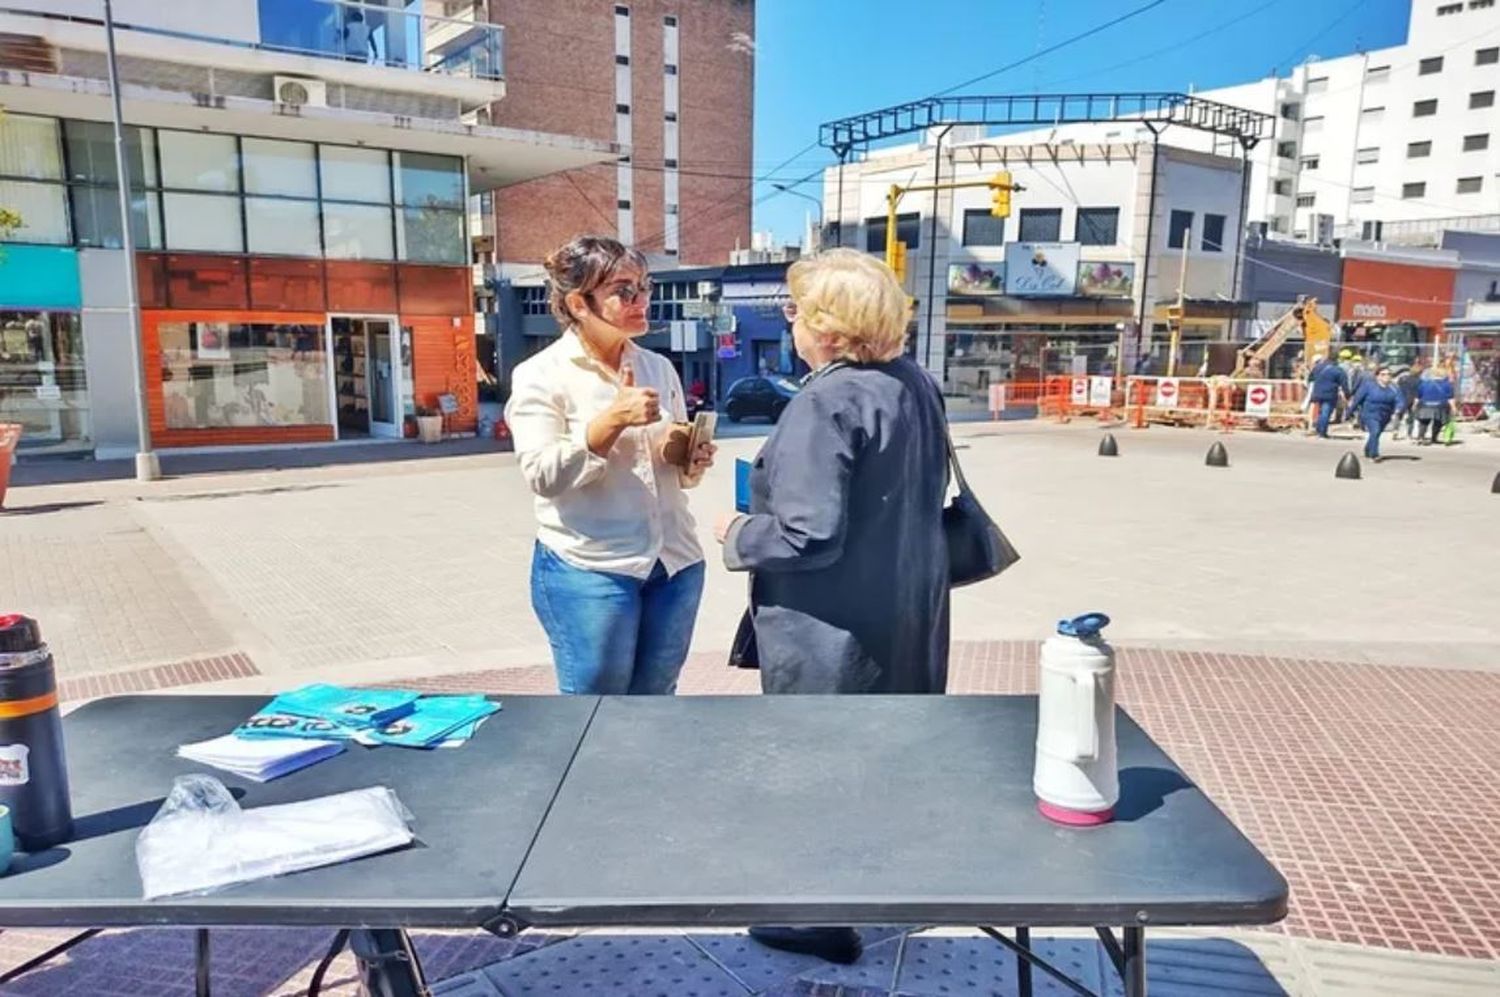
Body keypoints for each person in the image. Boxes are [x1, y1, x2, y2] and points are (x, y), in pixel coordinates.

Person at [712, 248, 950, 964]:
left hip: (832, 630)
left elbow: (806, 534)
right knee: (882, 758)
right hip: (907, 610)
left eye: (795, 309)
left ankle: (821, 917)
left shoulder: (826, 399)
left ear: (827, 324)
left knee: (819, 765)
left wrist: (739, 533)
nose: (789, 323)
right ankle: (877, 883)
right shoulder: (915, 382)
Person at [506, 235, 715, 695]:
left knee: (657, 704)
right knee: (594, 716)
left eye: (645, 286)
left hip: (674, 564)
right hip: (592, 569)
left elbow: (674, 471)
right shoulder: (541, 375)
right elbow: (542, 476)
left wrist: (689, 458)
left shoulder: (658, 366)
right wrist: (612, 421)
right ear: (579, 303)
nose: (641, 300)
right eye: (624, 290)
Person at [1347, 367, 1400, 460]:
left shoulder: (1394, 388)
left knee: (1377, 433)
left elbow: (1400, 400)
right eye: (1383, 374)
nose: (1386, 376)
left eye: (1388, 374)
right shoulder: (1369, 386)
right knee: (1375, 431)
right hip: (1370, 413)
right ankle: (1374, 454)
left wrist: (1398, 409)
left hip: (1385, 415)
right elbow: (1357, 399)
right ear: (1377, 376)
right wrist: (1350, 412)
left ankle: (1368, 449)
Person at [1307, 353, 1348, 438]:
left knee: (1320, 412)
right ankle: (1322, 432)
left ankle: (1318, 429)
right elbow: (1344, 384)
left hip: (1317, 393)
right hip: (1330, 394)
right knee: (1326, 412)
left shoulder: (1317, 367)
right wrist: (1347, 394)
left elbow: (1310, 379)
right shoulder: (1338, 370)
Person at [1415, 366, 1456, 446]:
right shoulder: (1447, 385)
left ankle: (1420, 437)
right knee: (1438, 422)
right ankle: (1434, 438)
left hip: (1425, 405)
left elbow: (1418, 396)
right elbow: (1450, 398)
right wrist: (1453, 408)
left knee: (1423, 422)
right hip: (1440, 405)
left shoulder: (1424, 383)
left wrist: (1415, 405)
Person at [1393, 360, 1424, 440]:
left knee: (1399, 415)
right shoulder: (1420, 381)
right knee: (1411, 417)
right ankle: (1409, 434)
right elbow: (1419, 392)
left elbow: (1397, 387)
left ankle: (1395, 430)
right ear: (1419, 373)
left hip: (1402, 399)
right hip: (1413, 400)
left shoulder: (1403, 379)